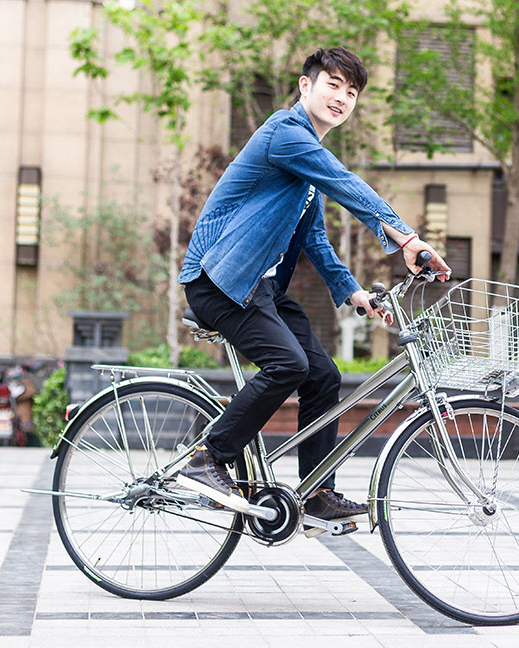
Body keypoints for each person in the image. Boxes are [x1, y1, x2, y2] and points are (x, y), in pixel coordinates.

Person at [177, 47, 451, 526]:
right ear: (306, 86)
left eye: (351, 92)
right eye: (333, 85)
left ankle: (317, 493)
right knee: (288, 364)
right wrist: (405, 236)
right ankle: (208, 457)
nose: (342, 98)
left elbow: (316, 239)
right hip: (218, 279)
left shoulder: (307, 166)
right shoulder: (286, 134)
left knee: (323, 376)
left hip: (257, 290)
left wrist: (353, 293)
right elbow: (345, 183)